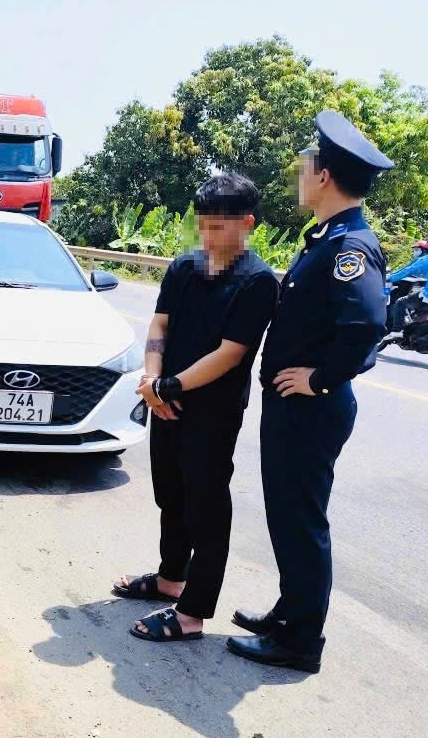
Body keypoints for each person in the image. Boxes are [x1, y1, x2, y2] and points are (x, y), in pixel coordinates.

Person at [227, 110, 392, 673]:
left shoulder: (350, 247)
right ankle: (290, 613)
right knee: (288, 515)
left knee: (301, 520)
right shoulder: (325, 238)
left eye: (305, 167)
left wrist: (320, 378)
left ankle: (300, 643)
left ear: (324, 177)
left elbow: (366, 324)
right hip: (296, 409)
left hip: (310, 409)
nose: (299, 175)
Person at [113, 173, 279, 644]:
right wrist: (151, 381)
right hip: (164, 402)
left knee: (206, 509)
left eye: (219, 226)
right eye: (203, 224)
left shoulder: (258, 281)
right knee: (170, 495)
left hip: (211, 412)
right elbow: (159, 324)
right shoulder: (183, 268)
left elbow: (231, 352)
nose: (208, 235)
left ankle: (191, 613)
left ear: (247, 223)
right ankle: (170, 579)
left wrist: (169, 386)